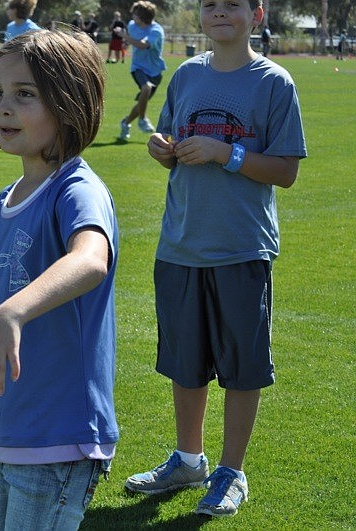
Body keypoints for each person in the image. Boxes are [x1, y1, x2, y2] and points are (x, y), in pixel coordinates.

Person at [0, 29, 119, 530]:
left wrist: (12, 311)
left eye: (25, 94)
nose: (2, 107)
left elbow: (91, 258)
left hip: (60, 435)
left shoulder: (76, 188)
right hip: (10, 430)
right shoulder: (4, 202)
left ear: (69, 103)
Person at [125, 0, 306, 517]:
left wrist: (226, 154)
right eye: (210, 5)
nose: (219, 13)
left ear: (258, 14)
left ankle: (230, 471)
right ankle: (188, 459)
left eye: (232, 4)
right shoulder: (185, 76)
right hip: (180, 244)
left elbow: (286, 171)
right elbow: (172, 141)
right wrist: (163, 149)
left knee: (241, 367)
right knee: (186, 363)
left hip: (241, 246)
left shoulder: (274, 82)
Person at [118, 1, 166, 141]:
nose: (132, 16)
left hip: (156, 72)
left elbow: (143, 45)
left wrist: (124, 36)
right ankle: (142, 119)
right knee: (146, 88)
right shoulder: (132, 25)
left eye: (135, 13)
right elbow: (132, 40)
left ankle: (126, 123)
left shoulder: (156, 30)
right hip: (138, 68)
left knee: (141, 104)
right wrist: (125, 42)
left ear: (142, 16)